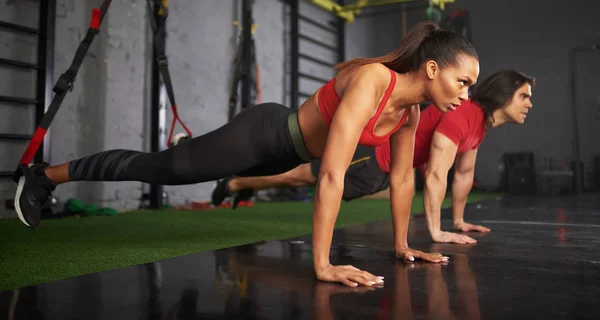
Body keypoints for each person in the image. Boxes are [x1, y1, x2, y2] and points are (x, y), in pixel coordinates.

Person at [15, 21, 479, 288]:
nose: (465, 95)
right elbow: (331, 176)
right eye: (462, 82)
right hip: (264, 134)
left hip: (282, 155)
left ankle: (195, 153)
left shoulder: (410, 113)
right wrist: (322, 266)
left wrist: (402, 246)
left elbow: (401, 180)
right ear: (433, 68)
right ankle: (45, 175)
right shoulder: (373, 81)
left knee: (187, 164)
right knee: (160, 171)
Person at [211, 70, 535, 245]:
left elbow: (464, 174)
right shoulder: (464, 113)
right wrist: (436, 232)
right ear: (503, 94)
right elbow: (436, 173)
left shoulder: (478, 125)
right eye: (524, 96)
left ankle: (242, 183)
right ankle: (237, 182)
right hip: (376, 159)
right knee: (305, 175)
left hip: (385, 170)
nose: (528, 104)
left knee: (305, 175)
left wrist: (460, 221)